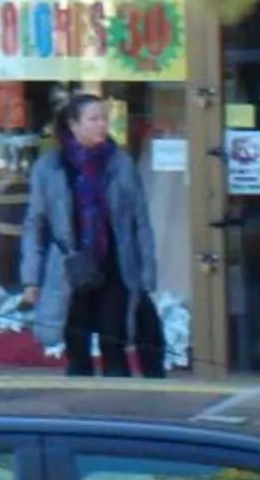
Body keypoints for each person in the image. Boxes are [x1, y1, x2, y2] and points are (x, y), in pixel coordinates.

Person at [21, 92, 164, 377]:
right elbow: (35, 224)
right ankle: (82, 416)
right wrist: (30, 279)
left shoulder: (120, 165)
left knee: (115, 343)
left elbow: (140, 223)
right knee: (77, 348)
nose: (101, 125)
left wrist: (147, 272)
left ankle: (120, 413)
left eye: (104, 119)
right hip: (69, 269)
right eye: (94, 119)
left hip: (115, 266)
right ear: (74, 125)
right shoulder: (50, 168)